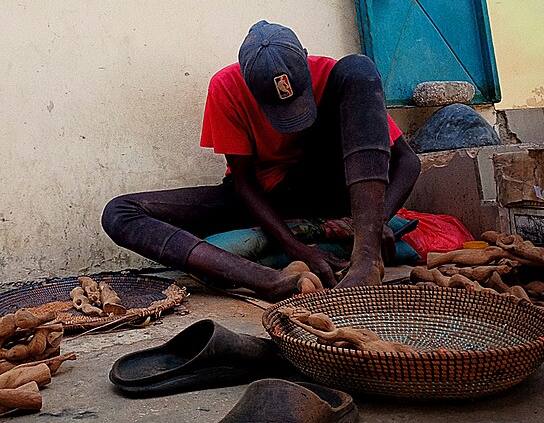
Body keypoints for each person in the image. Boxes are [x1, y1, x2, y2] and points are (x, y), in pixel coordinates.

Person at [102, 21, 421, 301]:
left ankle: (367, 262)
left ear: (305, 58)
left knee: (359, 67)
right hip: (262, 198)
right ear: (247, 82)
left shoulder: (335, 77)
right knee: (120, 212)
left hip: (329, 183)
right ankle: (267, 280)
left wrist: (374, 225)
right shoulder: (226, 87)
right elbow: (243, 182)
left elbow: (407, 162)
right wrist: (294, 247)